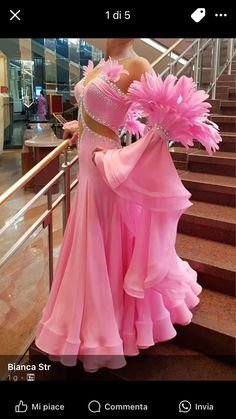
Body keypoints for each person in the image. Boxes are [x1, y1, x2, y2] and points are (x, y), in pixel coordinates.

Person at [35, 39, 221, 372]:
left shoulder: (139, 66)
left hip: (106, 167)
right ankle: (91, 318)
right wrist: (83, 127)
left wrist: (118, 159)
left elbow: (161, 129)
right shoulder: (104, 61)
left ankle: (113, 327)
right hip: (89, 163)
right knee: (92, 238)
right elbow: (99, 113)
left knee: (107, 237)